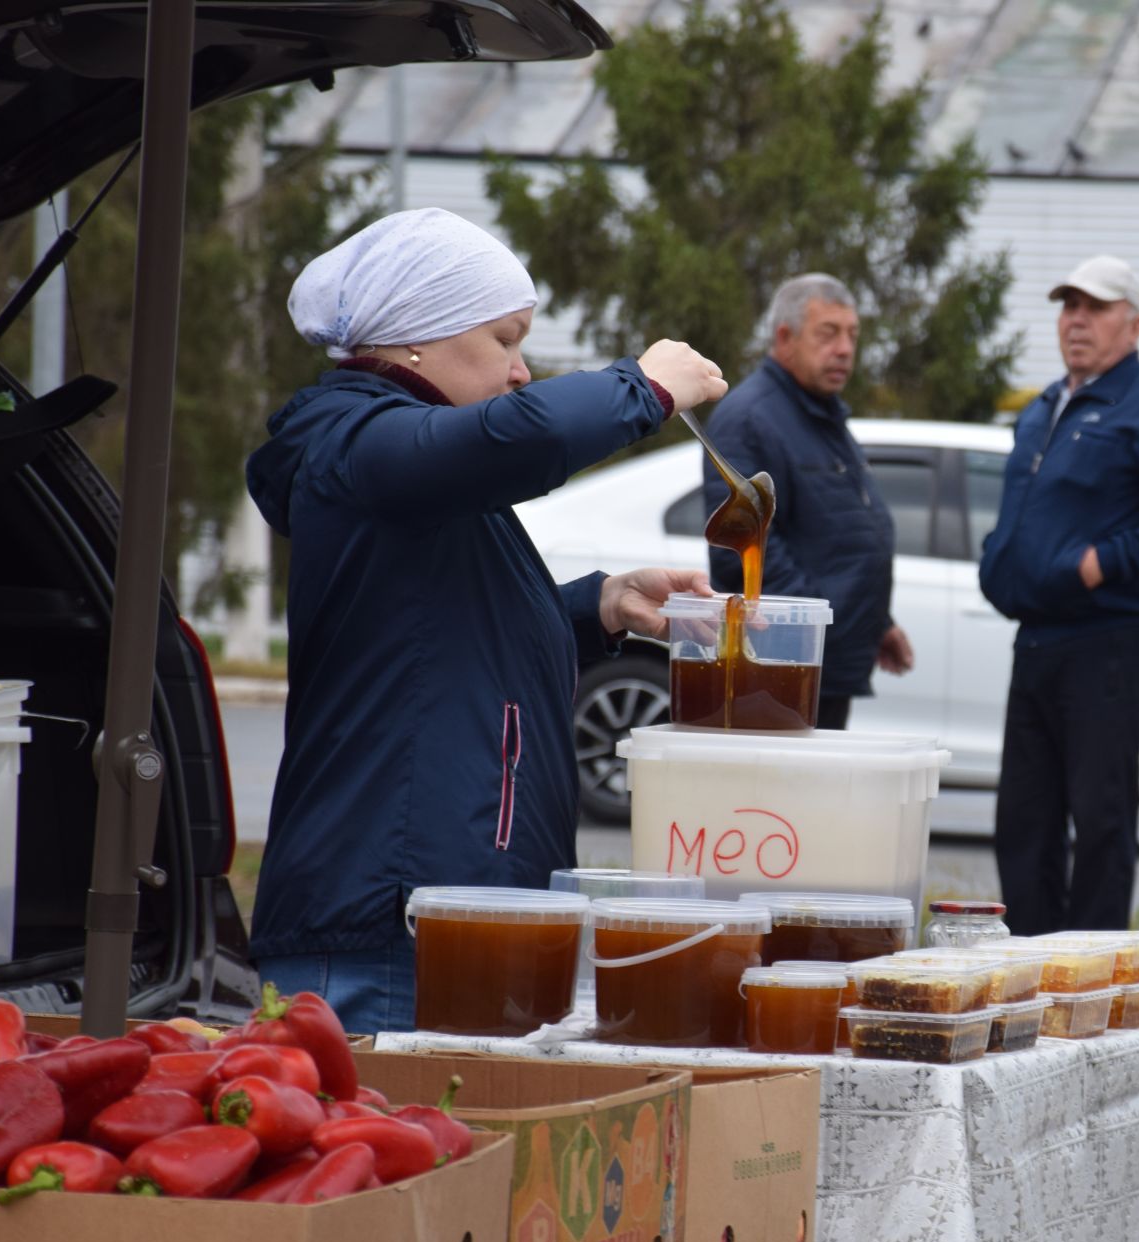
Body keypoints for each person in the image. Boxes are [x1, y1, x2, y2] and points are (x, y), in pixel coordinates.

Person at [245, 207, 728, 1034]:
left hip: (444, 915)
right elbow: (521, 438)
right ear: (418, 339)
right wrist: (641, 387)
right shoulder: (359, 443)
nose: (520, 371)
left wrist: (600, 605)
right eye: (504, 338)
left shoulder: (409, 473)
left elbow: (445, 634)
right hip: (388, 925)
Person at [977, 256, 1139, 935]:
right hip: (1036, 638)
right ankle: (1030, 968)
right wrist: (999, 556)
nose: (1077, 320)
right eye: (1068, 307)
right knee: (1023, 820)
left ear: (1134, 325)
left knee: (1100, 817)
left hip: (1111, 641)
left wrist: (1098, 564)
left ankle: (1091, 978)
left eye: (1096, 307)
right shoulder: (1043, 406)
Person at [701, 273, 911, 729]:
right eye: (828, 333)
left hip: (823, 663)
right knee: (781, 801)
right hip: (783, 668)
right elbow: (744, 553)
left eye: (852, 334)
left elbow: (836, 533)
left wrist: (877, 622)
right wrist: (817, 624)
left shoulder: (822, 415)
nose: (845, 349)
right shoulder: (750, 419)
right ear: (785, 337)